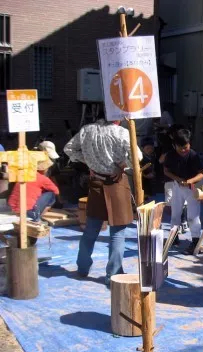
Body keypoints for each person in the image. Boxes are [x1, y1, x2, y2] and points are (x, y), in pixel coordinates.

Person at [64, 110, 142, 286]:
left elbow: (68, 149)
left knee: (91, 228)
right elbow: (138, 157)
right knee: (118, 233)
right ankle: (113, 274)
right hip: (116, 182)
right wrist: (123, 164)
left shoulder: (86, 130)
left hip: (96, 182)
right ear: (116, 117)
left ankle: (82, 267)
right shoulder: (120, 132)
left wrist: (87, 162)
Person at [163, 128, 203, 254]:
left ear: (189, 144)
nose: (183, 150)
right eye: (180, 147)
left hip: (192, 189)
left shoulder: (193, 155)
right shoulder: (170, 155)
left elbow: (202, 174)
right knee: (175, 214)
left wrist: (190, 181)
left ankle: (196, 241)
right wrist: (178, 179)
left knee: (193, 216)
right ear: (174, 145)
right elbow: (166, 171)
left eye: (185, 147)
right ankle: (174, 237)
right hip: (177, 186)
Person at [8, 157, 59, 222]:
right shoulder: (43, 178)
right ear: (45, 169)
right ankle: (37, 217)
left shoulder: (24, 174)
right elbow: (56, 191)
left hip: (12, 208)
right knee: (51, 195)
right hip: (27, 211)